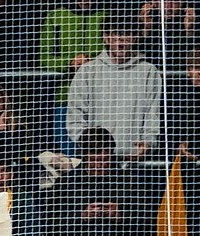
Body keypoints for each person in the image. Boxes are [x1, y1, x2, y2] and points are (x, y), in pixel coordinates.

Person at [64, 17, 160, 157]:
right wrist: (92, 149)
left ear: (136, 37)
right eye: (116, 33)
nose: (121, 39)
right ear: (106, 37)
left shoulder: (149, 71)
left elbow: (153, 112)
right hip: (96, 162)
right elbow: (75, 116)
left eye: (128, 33)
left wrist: (148, 142)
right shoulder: (86, 72)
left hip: (135, 160)